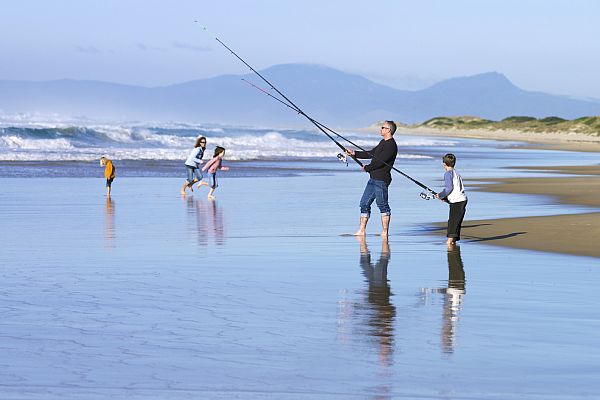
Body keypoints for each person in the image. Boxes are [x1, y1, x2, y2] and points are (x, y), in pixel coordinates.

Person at [346, 120, 398, 237]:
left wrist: (368, 168)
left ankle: (385, 232)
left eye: (383, 127)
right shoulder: (383, 142)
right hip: (373, 178)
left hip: (382, 179)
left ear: (389, 130)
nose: (380, 129)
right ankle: (361, 231)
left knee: (382, 204)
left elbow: (381, 161)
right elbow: (371, 153)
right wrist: (354, 153)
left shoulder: (391, 145)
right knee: (364, 203)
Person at [435, 153, 468, 248]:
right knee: (455, 223)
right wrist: (445, 197)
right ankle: (453, 243)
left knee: (452, 224)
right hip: (461, 200)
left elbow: (449, 188)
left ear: (444, 164)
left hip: (457, 201)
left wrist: (440, 195)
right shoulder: (456, 173)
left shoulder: (447, 174)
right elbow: (455, 188)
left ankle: (450, 244)